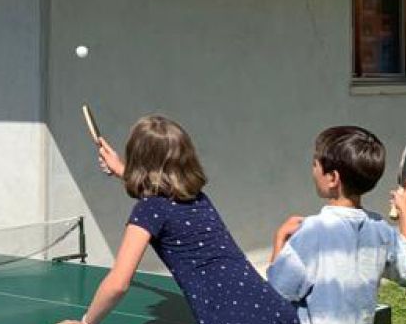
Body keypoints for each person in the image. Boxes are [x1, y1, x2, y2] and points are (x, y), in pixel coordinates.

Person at [60, 115, 298, 324]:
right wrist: (123, 170)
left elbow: (118, 283)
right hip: (276, 309)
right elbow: (162, 196)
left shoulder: (149, 210)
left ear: (138, 159)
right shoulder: (198, 198)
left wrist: (85, 322)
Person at [266, 126, 406, 324]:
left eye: (315, 165)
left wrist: (280, 239)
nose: (312, 170)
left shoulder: (312, 231)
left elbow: (276, 293)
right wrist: (405, 213)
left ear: (332, 178)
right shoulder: (381, 229)